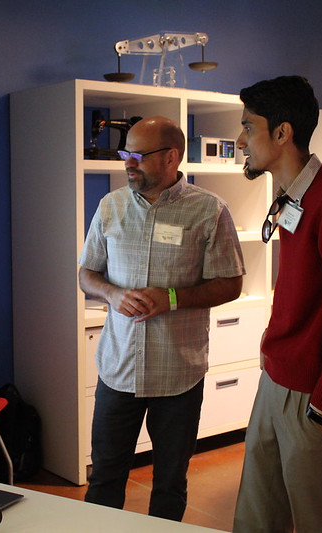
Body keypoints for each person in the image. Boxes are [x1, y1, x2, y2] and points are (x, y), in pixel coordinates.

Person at [232, 76, 322, 532]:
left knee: (319, 522)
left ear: (282, 133)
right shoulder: (293, 194)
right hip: (275, 379)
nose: (240, 141)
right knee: (257, 518)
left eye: (247, 127)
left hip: (309, 392)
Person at [78, 115, 245, 521]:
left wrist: (170, 298)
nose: (128, 164)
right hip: (118, 370)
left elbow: (230, 283)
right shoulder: (110, 206)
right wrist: (113, 293)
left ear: (171, 157)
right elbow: (87, 274)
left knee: (170, 483)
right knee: (104, 481)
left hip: (178, 375)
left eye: (137, 155)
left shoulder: (209, 211)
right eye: (125, 154)